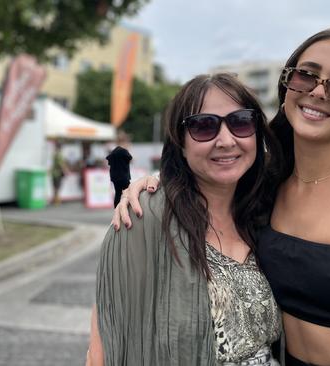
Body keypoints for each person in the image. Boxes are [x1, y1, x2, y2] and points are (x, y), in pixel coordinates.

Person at [114, 28, 330, 365]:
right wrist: (152, 184)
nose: (318, 92)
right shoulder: (264, 184)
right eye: (306, 76)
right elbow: (207, 174)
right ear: (287, 87)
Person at [86, 73, 282, 365]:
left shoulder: (268, 210)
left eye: (240, 121)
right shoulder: (143, 217)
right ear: (180, 142)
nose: (226, 140)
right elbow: (104, 344)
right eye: (204, 126)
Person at [50, 140, 71, 205]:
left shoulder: (55, 153)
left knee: (55, 187)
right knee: (57, 187)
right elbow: (61, 164)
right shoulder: (59, 154)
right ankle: (56, 200)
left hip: (54, 172)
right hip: (57, 173)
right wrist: (66, 171)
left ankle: (55, 199)